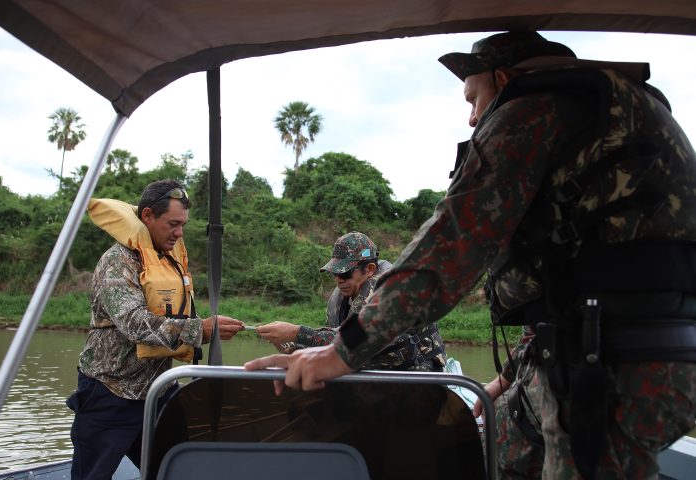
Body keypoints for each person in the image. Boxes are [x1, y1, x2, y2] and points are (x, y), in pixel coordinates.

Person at [246, 31, 696, 479]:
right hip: (608, 347)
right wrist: (502, 383)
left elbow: (450, 244)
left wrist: (339, 353)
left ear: (501, 79)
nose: (472, 117)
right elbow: (565, 288)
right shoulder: (615, 112)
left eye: (472, 98)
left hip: (615, 365)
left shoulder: (532, 110)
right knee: (497, 452)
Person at [68, 179, 244, 479]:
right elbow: (135, 324)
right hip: (111, 393)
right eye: (173, 224)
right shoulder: (118, 261)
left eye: (183, 225)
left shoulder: (167, 260)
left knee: (177, 469)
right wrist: (198, 330)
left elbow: (180, 314)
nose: (179, 233)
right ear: (147, 215)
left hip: (158, 391)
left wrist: (206, 326)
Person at [257, 231, 447, 371]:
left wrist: (295, 333)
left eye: (345, 273)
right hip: (376, 376)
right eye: (334, 273)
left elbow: (349, 340)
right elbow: (331, 348)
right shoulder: (341, 297)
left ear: (370, 269)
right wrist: (287, 345)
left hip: (417, 375)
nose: (339, 279)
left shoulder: (389, 293)